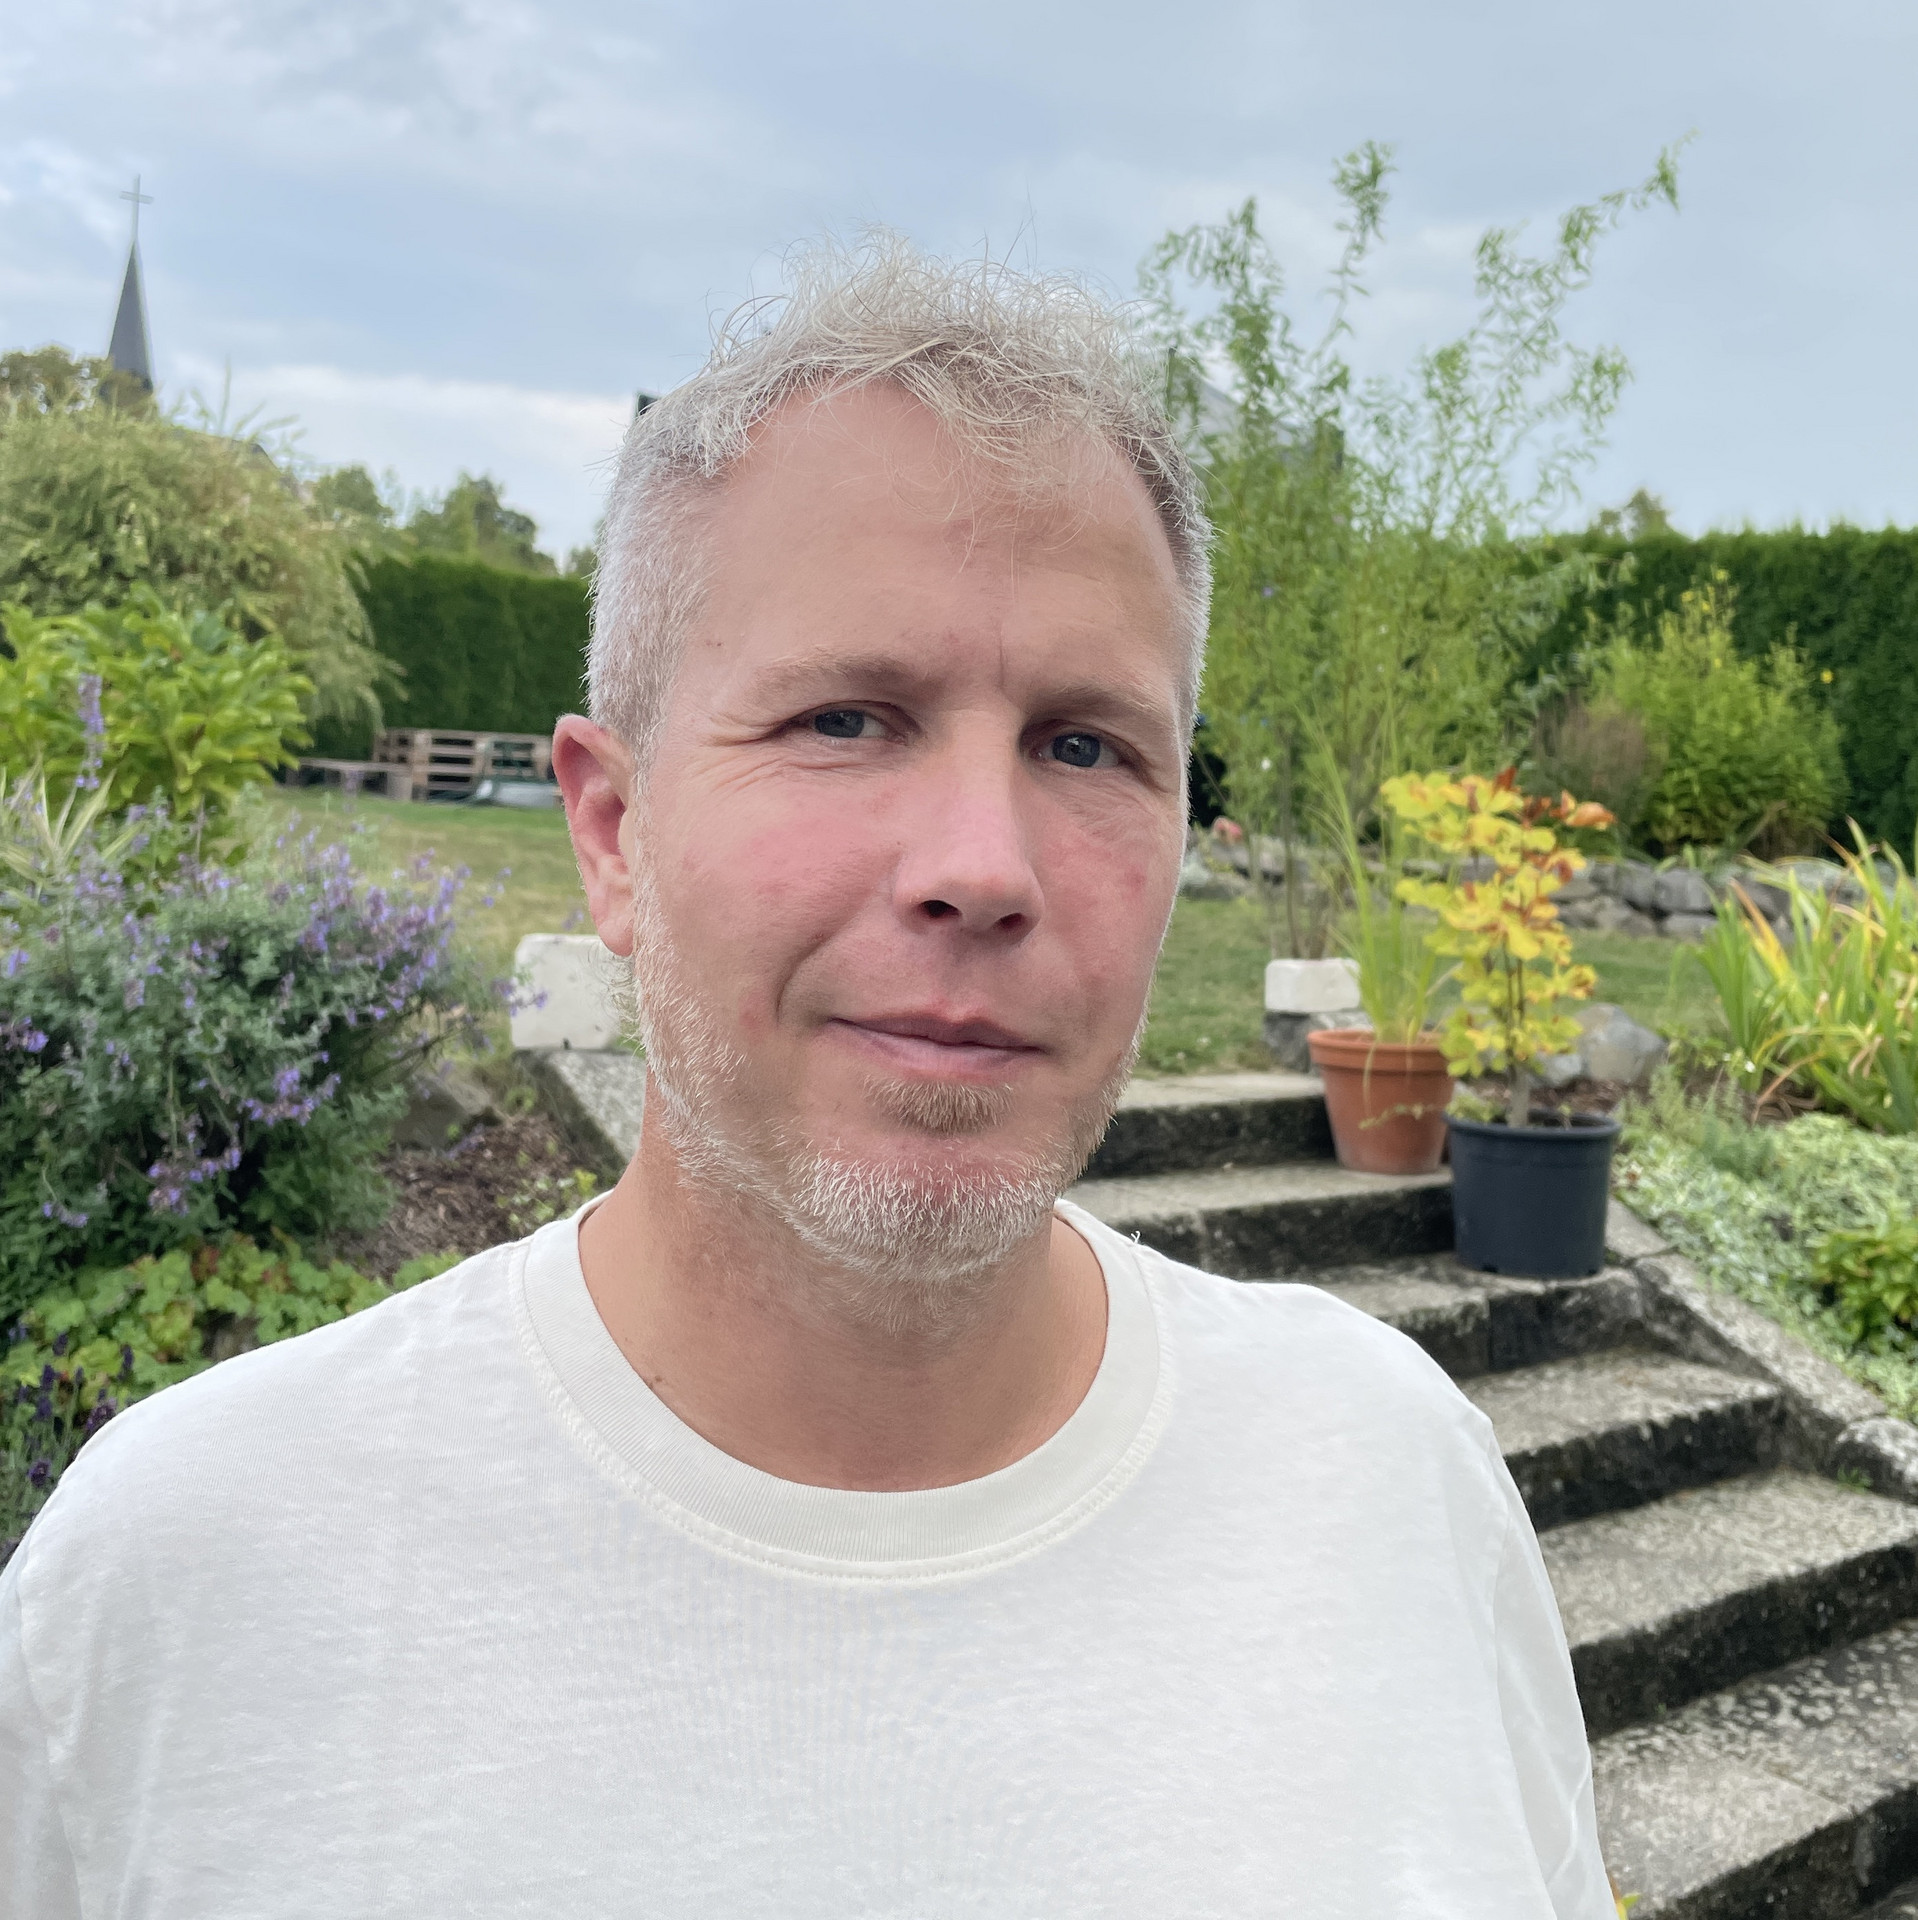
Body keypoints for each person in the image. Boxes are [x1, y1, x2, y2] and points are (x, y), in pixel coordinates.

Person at [0, 239, 1613, 1917]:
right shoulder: (176, 1589)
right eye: (845, 719)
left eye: (1085, 745)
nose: (982, 866)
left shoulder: (1393, 1483)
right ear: (612, 833)